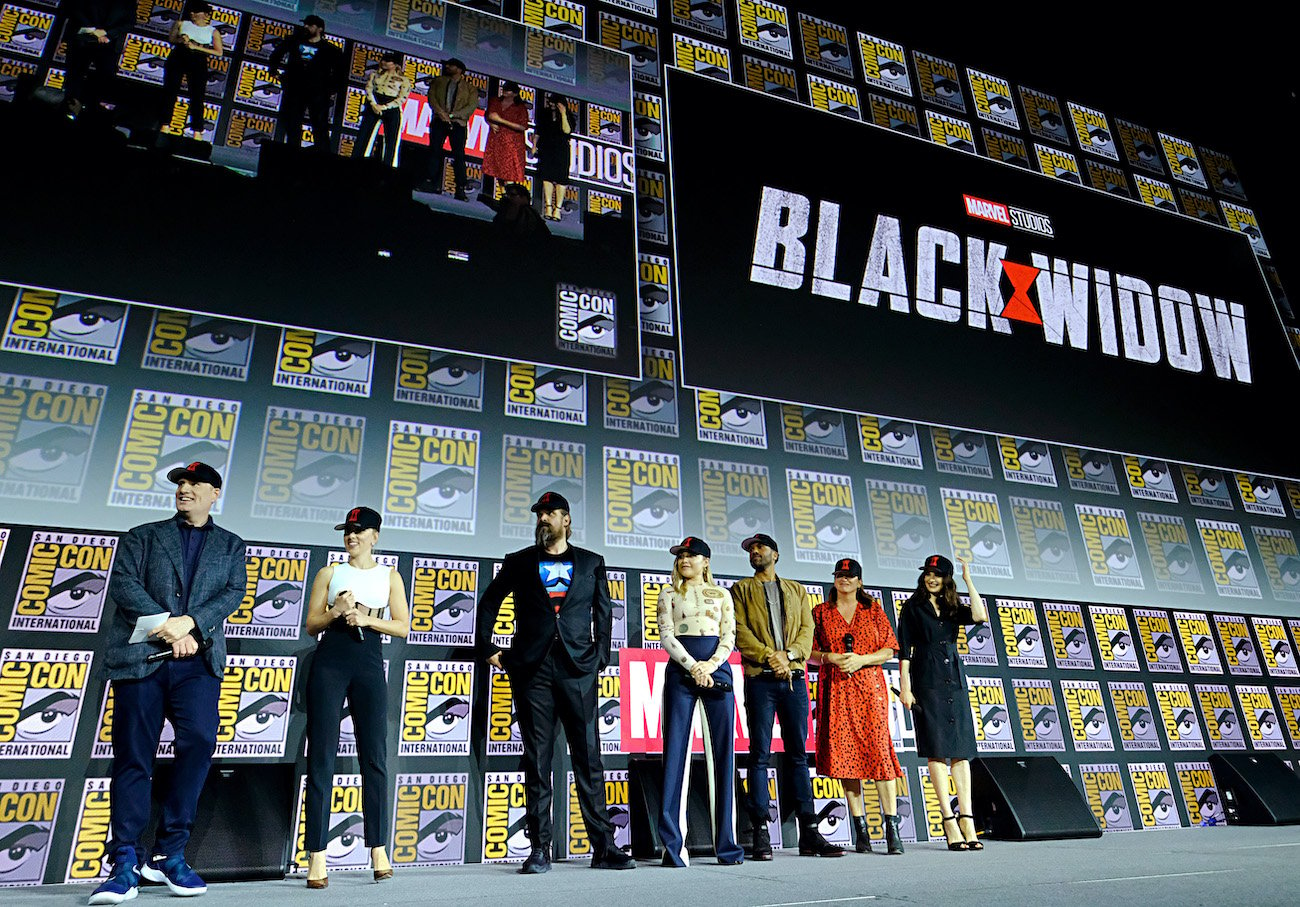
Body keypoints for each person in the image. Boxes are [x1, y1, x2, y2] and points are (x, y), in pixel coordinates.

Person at [90, 462, 246, 905]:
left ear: (214, 493)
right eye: (180, 483)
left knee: (198, 741)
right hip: (142, 659)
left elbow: (232, 592)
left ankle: (169, 853)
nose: (184, 489)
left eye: (194, 484)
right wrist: (168, 626)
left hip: (198, 662)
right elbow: (123, 583)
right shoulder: (142, 535)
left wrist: (192, 626)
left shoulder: (232, 545)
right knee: (133, 757)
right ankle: (123, 861)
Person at [476, 491, 635, 874]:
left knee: (588, 758)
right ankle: (540, 848)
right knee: (537, 759)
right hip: (532, 670)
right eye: (539, 514)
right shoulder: (518, 562)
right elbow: (489, 603)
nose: (543, 519)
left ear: (566, 520)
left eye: (550, 513)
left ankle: (603, 847)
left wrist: (600, 657)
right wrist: (488, 647)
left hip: (577, 669)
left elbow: (604, 610)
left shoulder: (591, 562)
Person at [301, 506, 410, 888]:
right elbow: (312, 623)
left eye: (358, 531)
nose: (351, 536)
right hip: (330, 661)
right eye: (347, 531)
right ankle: (316, 854)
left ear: (374, 537)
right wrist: (335, 612)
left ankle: (378, 847)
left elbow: (403, 626)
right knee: (321, 758)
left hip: (368, 661)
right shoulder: (329, 572)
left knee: (374, 757)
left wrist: (365, 619)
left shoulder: (390, 577)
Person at [731, 533, 845, 859]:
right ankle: (761, 833)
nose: (755, 551)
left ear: (775, 554)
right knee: (759, 755)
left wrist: (791, 655)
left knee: (797, 755)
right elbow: (740, 632)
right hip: (761, 680)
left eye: (760, 547)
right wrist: (772, 657)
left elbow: (807, 633)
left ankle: (809, 833)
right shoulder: (740, 589)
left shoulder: (796, 590)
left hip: (794, 679)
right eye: (751, 548)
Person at [656, 537, 743, 867]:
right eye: (680, 555)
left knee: (723, 756)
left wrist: (710, 666)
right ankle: (674, 847)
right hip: (681, 672)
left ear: (706, 561)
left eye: (691, 555)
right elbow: (666, 635)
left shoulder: (723, 595)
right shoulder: (668, 593)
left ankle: (728, 846)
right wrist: (693, 666)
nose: (684, 560)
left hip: (717, 670)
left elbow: (729, 637)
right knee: (675, 753)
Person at [810, 558, 905, 855]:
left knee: (879, 757)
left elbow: (890, 648)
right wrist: (830, 658)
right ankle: (860, 830)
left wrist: (862, 659)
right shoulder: (820, 613)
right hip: (836, 691)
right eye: (840, 575)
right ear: (834, 580)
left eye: (850, 576)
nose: (845, 580)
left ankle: (891, 829)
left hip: (870, 691)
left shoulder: (873, 609)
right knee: (846, 760)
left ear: (860, 581)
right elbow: (808, 652)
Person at [896, 554, 989, 851]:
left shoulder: (951, 606)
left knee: (961, 752)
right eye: (927, 573)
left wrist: (967, 578)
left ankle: (968, 819)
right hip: (926, 680)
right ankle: (948, 820)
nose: (931, 578)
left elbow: (979, 616)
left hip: (954, 679)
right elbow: (905, 652)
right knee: (936, 753)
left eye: (937, 574)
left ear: (946, 578)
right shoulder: (912, 607)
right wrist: (906, 689)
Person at [269, 14, 343, 150]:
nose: (305, 27)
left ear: (320, 29)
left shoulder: (331, 50)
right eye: (305, 24)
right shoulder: (293, 41)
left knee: (320, 127)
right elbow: (275, 56)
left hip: (317, 94)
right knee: (292, 124)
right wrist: (276, 74)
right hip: (294, 90)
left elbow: (339, 74)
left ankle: (322, 159)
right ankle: (293, 154)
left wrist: (329, 90)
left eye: (310, 25)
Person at [160, 1, 223, 138]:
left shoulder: (213, 31)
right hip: (178, 56)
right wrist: (181, 40)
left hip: (199, 60)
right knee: (170, 90)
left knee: (197, 96)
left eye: (197, 12)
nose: (193, 15)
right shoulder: (181, 24)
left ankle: (197, 130)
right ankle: (165, 124)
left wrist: (196, 47)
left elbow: (219, 52)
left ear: (206, 15)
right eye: (192, 12)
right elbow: (171, 39)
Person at [62, 0, 134, 118]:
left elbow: (129, 22)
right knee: (74, 77)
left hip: (109, 44)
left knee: (105, 81)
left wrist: (107, 33)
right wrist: (94, 31)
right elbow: (72, 8)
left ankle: (94, 116)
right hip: (82, 40)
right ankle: (69, 112)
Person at [423, 57, 478, 198]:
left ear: (460, 70)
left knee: (458, 155)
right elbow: (432, 98)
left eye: (451, 65)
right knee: (434, 150)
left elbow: (471, 107)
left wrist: (452, 116)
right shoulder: (438, 81)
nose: (447, 66)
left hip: (458, 124)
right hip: (439, 120)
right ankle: (430, 182)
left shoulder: (469, 88)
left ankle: (460, 188)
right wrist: (441, 113)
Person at [354, 52, 411, 167]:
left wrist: (385, 107)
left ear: (394, 64)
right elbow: (369, 89)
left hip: (392, 106)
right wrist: (374, 104)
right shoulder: (374, 74)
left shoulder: (404, 79)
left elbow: (402, 98)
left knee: (391, 140)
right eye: (383, 60)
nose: (384, 62)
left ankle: (389, 167)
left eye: (387, 61)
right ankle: (357, 163)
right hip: (374, 102)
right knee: (364, 135)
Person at [479, 80, 529, 202]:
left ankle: (511, 198)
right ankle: (503, 197)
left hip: (512, 142)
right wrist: (490, 123)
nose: (505, 91)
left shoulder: (520, 107)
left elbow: (523, 126)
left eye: (508, 90)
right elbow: (488, 115)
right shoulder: (495, 101)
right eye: (504, 89)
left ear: (515, 93)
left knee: (509, 173)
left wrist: (500, 121)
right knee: (499, 170)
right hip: (496, 140)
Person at [535, 92, 572, 220]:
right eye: (550, 102)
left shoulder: (569, 115)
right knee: (547, 176)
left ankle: (558, 209)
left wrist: (563, 114)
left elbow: (567, 131)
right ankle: (548, 207)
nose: (551, 104)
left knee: (561, 179)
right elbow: (538, 130)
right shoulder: (544, 113)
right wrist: (534, 145)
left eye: (553, 102)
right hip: (547, 148)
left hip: (561, 149)